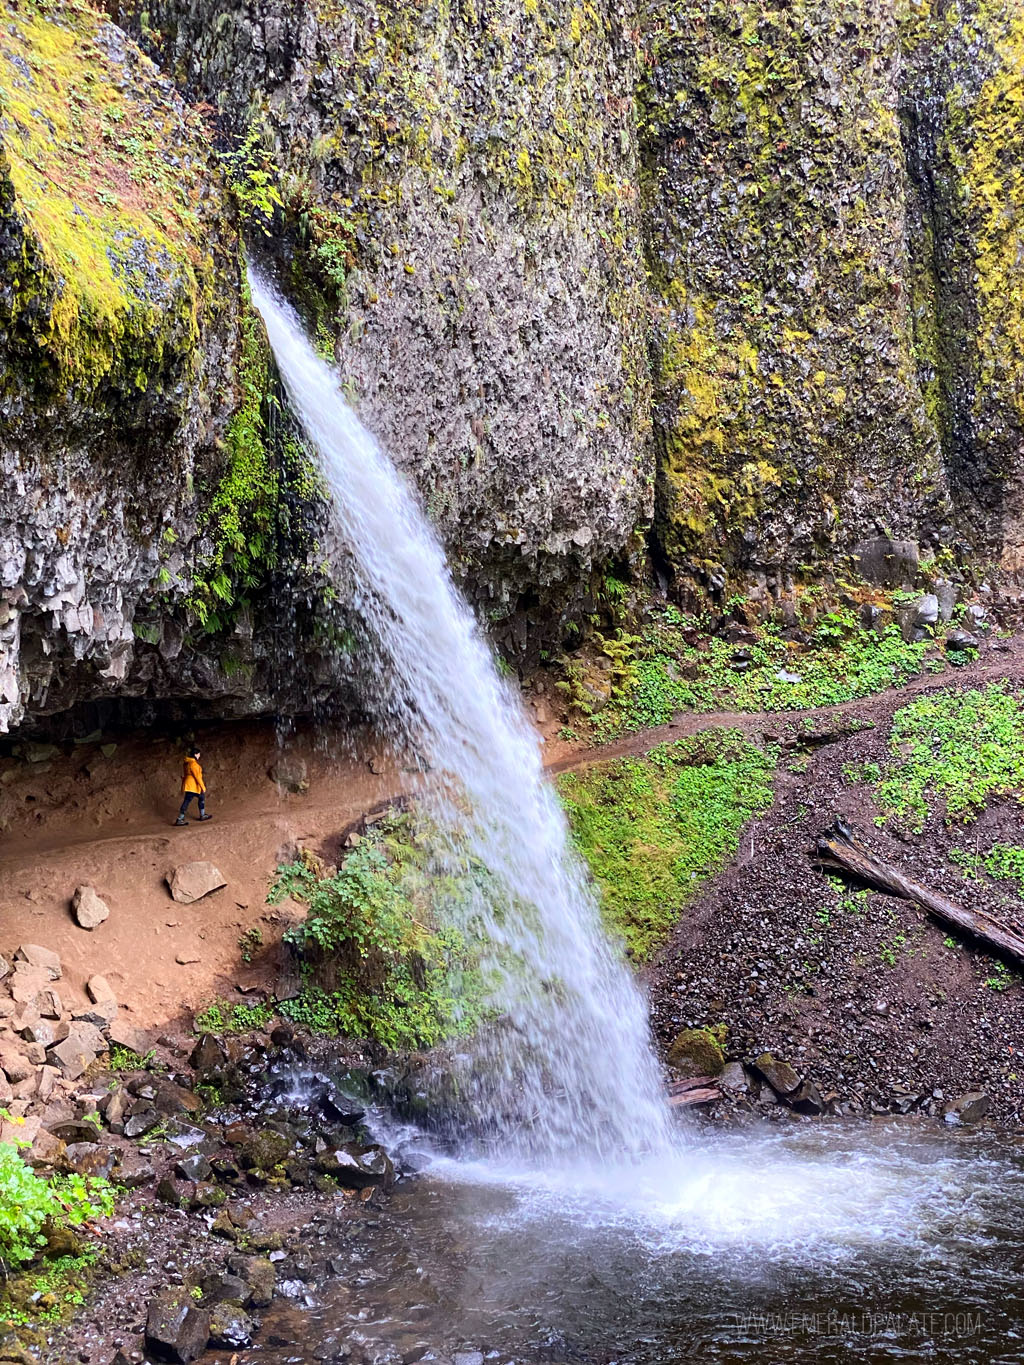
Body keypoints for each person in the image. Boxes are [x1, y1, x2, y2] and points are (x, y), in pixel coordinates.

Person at [176, 746, 212, 826]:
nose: (199, 756)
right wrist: (203, 786)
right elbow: (197, 777)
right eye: (199, 754)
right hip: (193, 785)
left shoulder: (187, 763)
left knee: (188, 800)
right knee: (199, 797)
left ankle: (180, 818)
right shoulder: (194, 764)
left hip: (189, 785)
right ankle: (201, 815)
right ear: (195, 754)